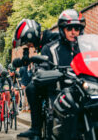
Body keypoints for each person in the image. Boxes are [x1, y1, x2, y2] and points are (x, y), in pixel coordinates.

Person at [14, 9, 86, 140]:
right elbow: (45, 64)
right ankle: (37, 128)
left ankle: (36, 129)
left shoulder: (83, 46)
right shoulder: (51, 46)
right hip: (59, 87)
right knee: (32, 87)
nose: (73, 32)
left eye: (76, 28)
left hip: (82, 86)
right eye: (69, 28)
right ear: (63, 29)